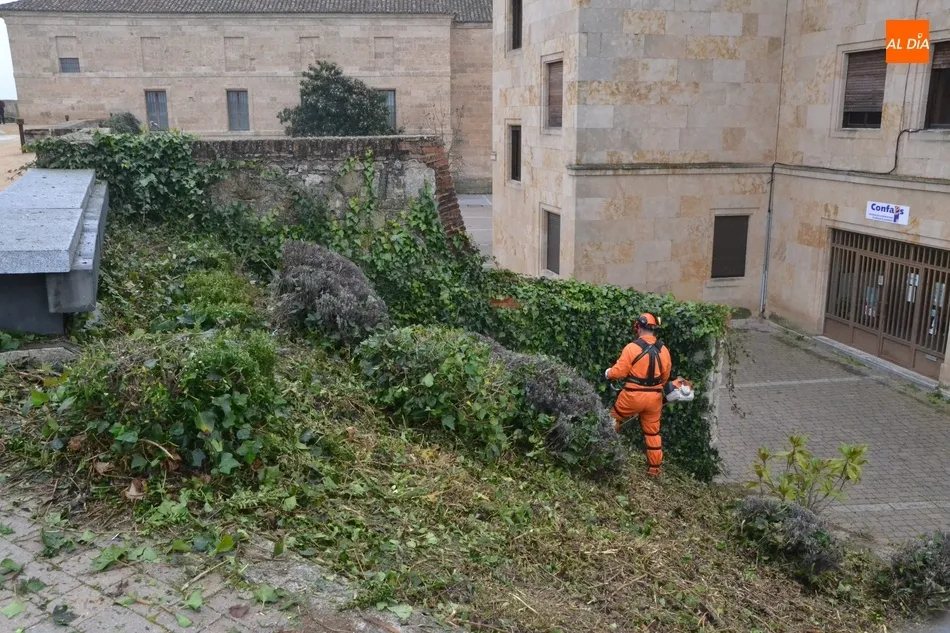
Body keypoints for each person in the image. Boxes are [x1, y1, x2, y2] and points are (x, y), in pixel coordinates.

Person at [605, 313, 672, 477]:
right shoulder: (663, 350)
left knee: (613, 419)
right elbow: (665, 375)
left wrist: (608, 373)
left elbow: (618, 372)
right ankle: (654, 469)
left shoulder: (632, 348)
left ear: (639, 327)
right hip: (654, 398)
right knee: (652, 432)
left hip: (632, 396)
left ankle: (605, 451)